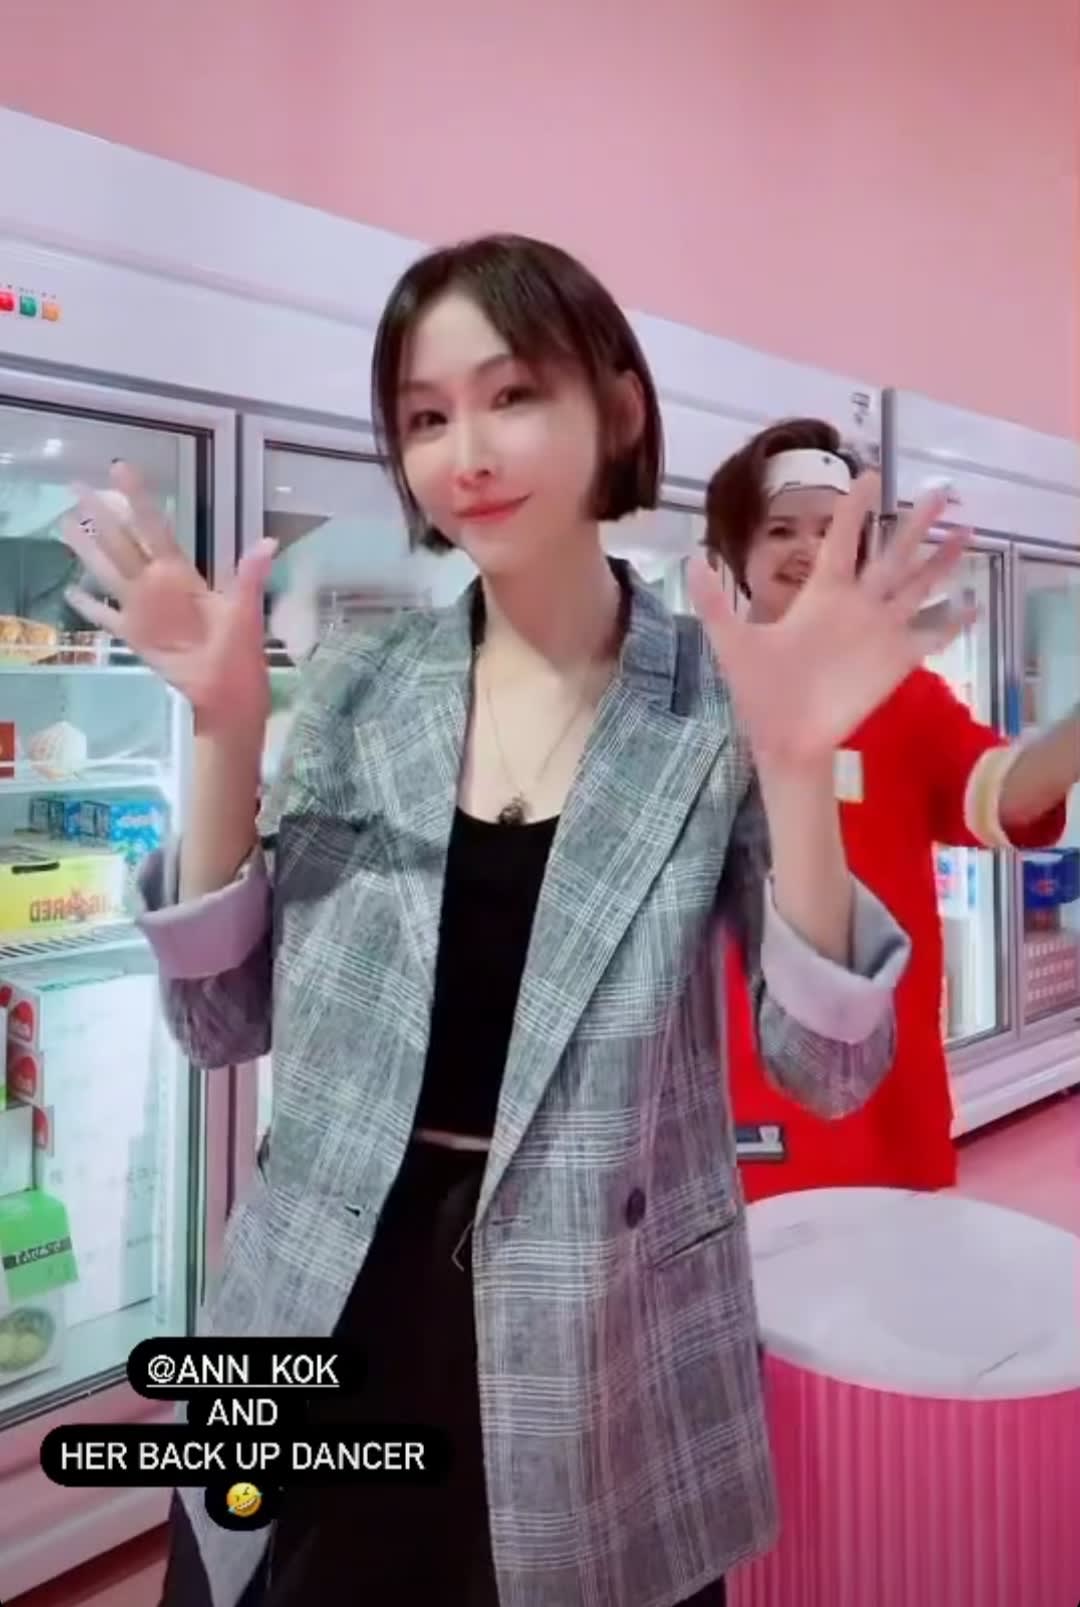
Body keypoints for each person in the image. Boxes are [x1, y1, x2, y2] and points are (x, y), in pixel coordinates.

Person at [64, 236, 963, 1607]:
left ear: (619, 408)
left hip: (604, 1331)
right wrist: (227, 730)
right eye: (426, 416)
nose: (467, 453)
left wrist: (794, 766)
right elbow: (223, 1019)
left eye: (512, 395)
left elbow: (828, 1065)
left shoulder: (715, 698)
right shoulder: (363, 680)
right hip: (321, 1296)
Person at [705, 417, 1078, 1201]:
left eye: (832, 530)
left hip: (885, 1111)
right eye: (781, 529)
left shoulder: (905, 698)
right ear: (734, 550)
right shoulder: (684, 696)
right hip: (723, 1112)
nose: (811, 550)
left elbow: (1011, 790)